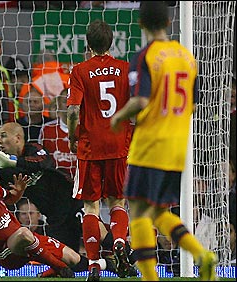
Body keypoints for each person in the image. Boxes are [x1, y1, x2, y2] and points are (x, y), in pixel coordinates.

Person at [110, 2, 218, 281]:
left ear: (140, 24)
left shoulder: (145, 56)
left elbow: (141, 100)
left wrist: (118, 117)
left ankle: (149, 277)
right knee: (159, 211)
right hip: (177, 146)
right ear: (170, 23)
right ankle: (202, 255)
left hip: (149, 145)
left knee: (136, 210)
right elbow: (194, 102)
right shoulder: (186, 57)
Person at [0, 122, 136, 278]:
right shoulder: (3, 170)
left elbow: (45, 163)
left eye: (3, 135)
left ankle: (131, 256)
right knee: (69, 261)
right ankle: (110, 265)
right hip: (54, 217)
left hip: (71, 201)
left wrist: (15, 162)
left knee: (97, 231)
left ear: (17, 138)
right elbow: (3, 196)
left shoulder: (34, 149)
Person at [67, 19, 133, 280]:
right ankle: (118, 241)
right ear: (111, 43)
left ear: (87, 43)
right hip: (119, 146)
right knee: (118, 202)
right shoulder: (125, 69)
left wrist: (73, 135)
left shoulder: (80, 70)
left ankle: (94, 263)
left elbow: (73, 110)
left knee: (91, 208)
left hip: (90, 148)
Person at [0, 158, 82, 278]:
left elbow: (10, 199)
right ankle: (60, 268)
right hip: (5, 254)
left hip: (26, 239)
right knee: (24, 234)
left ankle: (45, 275)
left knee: (73, 258)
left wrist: (19, 191)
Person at [39, 89, 77, 178]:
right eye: (65, 101)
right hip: (55, 181)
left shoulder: (86, 128)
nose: (68, 105)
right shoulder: (47, 129)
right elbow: (41, 157)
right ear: (58, 105)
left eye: (72, 101)